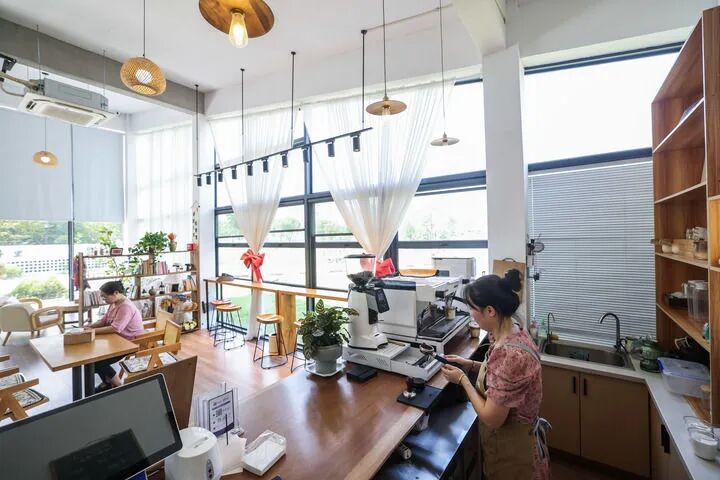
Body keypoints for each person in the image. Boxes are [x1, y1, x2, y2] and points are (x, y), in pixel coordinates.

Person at [441, 269, 550, 479]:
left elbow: (492, 419)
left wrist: (462, 379)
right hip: (513, 443)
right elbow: (500, 376)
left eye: (472, 308)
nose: (470, 314)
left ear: (490, 311)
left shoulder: (510, 355)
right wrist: (470, 364)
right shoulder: (513, 330)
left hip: (514, 455)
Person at [85, 281, 145, 390]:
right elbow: (103, 321)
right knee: (90, 359)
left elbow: (116, 328)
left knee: (97, 362)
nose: (103, 299)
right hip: (116, 339)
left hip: (129, 342)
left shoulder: (126, 307)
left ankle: (119, 387)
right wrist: (89, 327)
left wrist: (92, 331)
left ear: (116, 293)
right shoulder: (113, 304)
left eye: (104, 296)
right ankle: (108, 383)